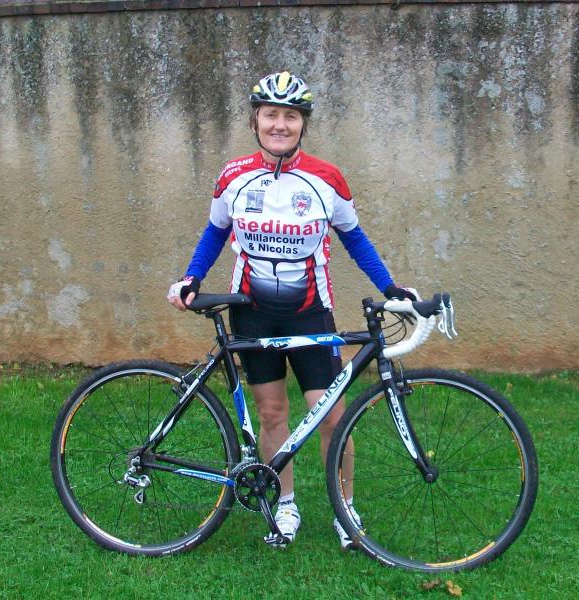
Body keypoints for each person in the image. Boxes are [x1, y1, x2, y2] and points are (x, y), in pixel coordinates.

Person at [168, 71, 416, 549]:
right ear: (255, 121)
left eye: (290, 116)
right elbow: (216, 232)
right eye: (270, 115)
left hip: (309, 312)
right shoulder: (233, 175)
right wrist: (192, 277)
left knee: (332, 416)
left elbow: (354, 238)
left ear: (303, 124)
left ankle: (345, 510)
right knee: (272, 412)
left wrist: (390, 286)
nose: (279, 124)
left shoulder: (326, 178)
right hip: (251, 310)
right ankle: (284, 505)